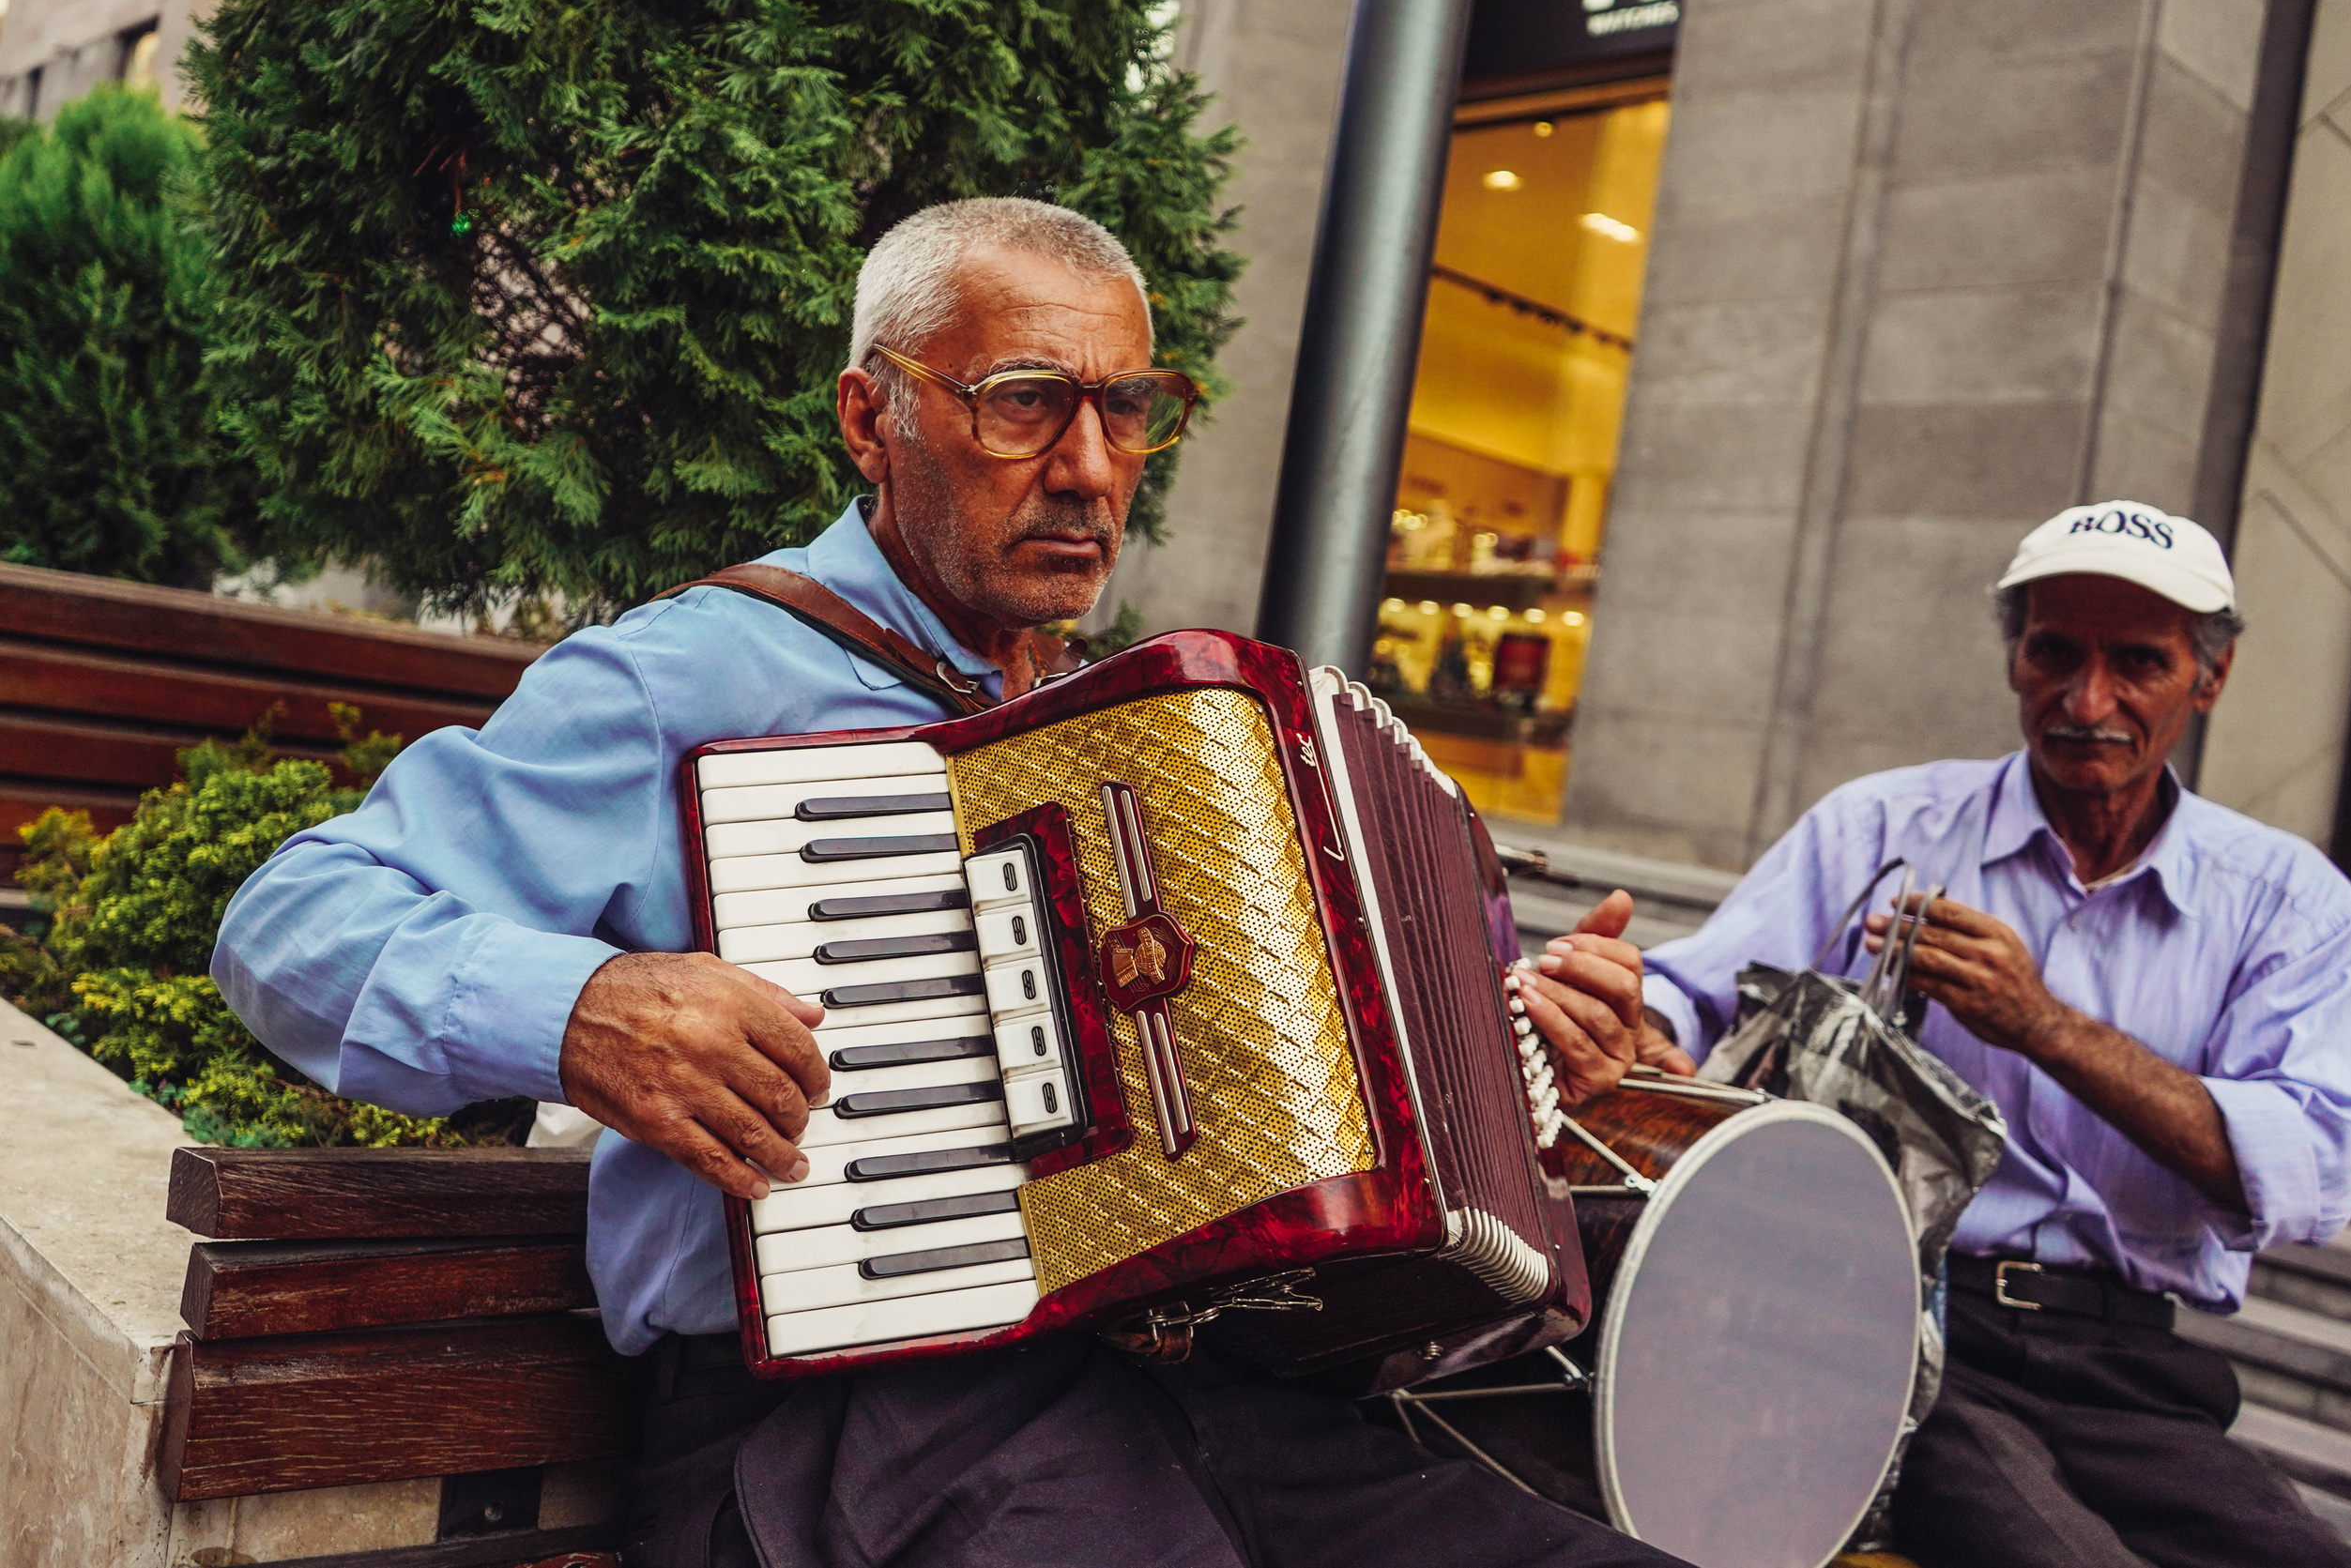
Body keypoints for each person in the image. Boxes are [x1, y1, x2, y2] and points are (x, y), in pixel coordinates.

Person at [212, 198, 1687, 1568]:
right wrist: (583, 1010)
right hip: (823, 1440)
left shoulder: (1134, 737)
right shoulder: (694, 675)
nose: (1091, 467)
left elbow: (1252, 1116)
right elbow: (291, 922)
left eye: (1127, 410)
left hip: (1159, 1396)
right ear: (873, 417)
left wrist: (1497, 1056)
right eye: (1024, 401)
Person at [1546, 500, 2351, 1567]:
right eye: (2055, 652)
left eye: (2137, 661)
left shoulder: (2284, 899)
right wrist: (1630, 1015)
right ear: (2014, 659)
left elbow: (2311, 1169)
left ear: (2208, 678)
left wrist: (2041, 1024)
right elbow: (1691, 989)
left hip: (2133, 1366)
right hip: (1892, 1321)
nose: (2087, 700)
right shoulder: (1884, 828)